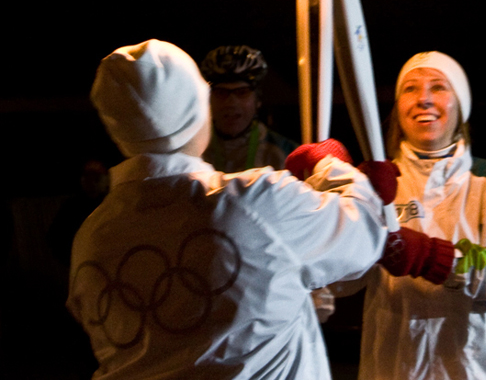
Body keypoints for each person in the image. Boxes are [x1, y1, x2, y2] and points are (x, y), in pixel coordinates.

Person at [67, 39, 397, 379]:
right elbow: (364, 231)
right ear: (198, 107)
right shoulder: (257, 201)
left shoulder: (90, 239)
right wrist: (331, 165)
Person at [357, 50, 486, 380]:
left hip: (484, 368)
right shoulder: (374, 185)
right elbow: (338, 282)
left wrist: (435, 258)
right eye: (410, 89)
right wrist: (325, 208)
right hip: (397, 367)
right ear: (398, 108)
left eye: (439, 87)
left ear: (460, 105)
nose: (424, 99)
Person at [200, 44, 297, 173]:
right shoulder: (193, 148)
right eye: (221, 93)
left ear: (257, 100)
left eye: (242, 92)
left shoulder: (285, 152)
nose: (231, 102)